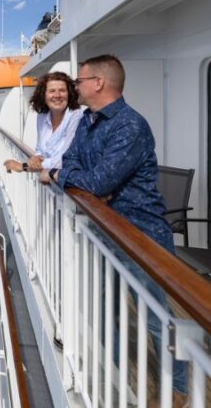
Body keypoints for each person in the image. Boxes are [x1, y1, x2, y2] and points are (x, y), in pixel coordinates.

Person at [39, 54, 187, 402]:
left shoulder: (130, 126)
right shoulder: (89, 121)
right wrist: (76, 178)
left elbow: (99, 180)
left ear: (99, 83)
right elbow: (75, 164)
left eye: (79, 81)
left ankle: (179, 388)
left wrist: (65, 177)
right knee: (106, 312)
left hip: (141, 236)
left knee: (155, 318)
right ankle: (118, 374)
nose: (76, 87)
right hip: (105, 232)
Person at [3, 71, 82, 176]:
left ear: (69, 94)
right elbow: (40, 148)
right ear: (43, 95)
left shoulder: (76, 116)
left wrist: (24, 167)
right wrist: (36, 157)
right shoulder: (42, 116)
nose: (57, 95)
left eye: (62, 91)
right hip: (49, 180)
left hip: (66, 182)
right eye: (52, 91)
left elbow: (65, 158)